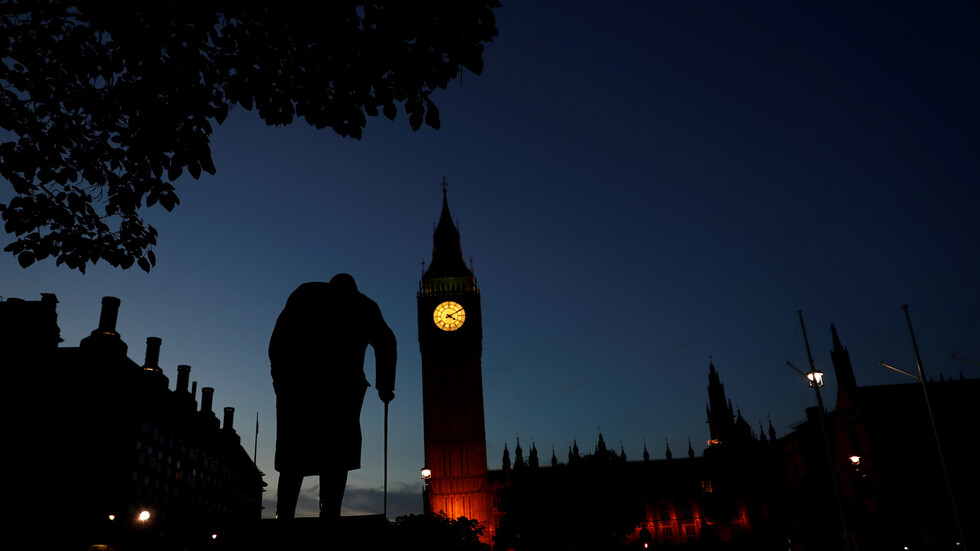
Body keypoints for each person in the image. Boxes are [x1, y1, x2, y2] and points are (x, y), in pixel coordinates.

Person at [269, 274, 396, 519]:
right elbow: (386, 342)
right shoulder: (363, 305)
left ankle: (287, 514)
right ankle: (327, 513)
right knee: (334, 452)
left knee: (297, 450)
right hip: (334, 390)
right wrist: (385, 385)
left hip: (301, 388)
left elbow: (278, 339)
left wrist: (280, 378)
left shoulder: (306, 294)